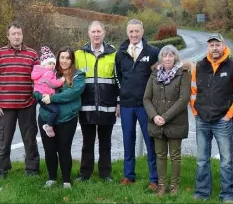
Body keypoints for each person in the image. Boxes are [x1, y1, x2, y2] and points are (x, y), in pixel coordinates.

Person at [191, 33, 233, 202]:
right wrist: (195, 111)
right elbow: (193, 92)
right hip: (202, 120)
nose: (214, 48)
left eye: (217, 45)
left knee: (226, 161)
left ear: (223, 46)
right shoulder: (199, 66)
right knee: (201, 160)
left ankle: (227, 195)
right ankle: (201, 193)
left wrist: (229, 115)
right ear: (208, 47)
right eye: (211, 45)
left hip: (223, 121)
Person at [0, 21, 40, 179]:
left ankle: (32, 169)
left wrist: (35, 99)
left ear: (22, 35)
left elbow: (39, 79)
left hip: (27, 105)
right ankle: (2, 170)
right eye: (13, 34)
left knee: (30, 138)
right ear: (8, 36)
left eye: (19, 33)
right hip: (6, 106)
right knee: (4, 139)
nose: (16, 37)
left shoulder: (32, 54)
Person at [115, 19, 160, 190]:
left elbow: (158, 76)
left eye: (137, 31)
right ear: (127, 33)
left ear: (142, 31)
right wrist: (119, 101)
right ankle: (129, 176)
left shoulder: (153, 52)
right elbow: (118, 77)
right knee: (128, 141)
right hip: (126, 105)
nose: (134, 35)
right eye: (131, 32)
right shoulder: (120, 53)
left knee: (150, 142)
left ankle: (154, 179)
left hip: (146, 105)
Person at [34, 47, 86, 189]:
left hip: (67, 119)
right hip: (46, 117)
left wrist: (52, 98)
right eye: (61, 57)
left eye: (67, 58)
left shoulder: (78, 75)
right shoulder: (49, 72)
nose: (64, 60)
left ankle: (66, 180)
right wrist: (39, 96)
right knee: (49, 149)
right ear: (57, 59)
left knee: (64, 149)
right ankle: (51, 178)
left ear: (72, 60)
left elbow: (73, 93)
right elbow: (37, 88)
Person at [142, 45, 191, 196]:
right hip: (157, 122)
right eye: (165, 56)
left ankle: (174, 187)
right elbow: (146, 98)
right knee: (160, 155)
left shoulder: (183, 74)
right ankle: (161, 186)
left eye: (171, 55)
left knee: (175, 155)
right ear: (161, 58)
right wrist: (154, 116)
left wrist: (165, 117)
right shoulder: (154, 74)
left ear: (175, 57)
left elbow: (184, 99)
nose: (167, 58)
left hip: (175, 122)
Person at [74, 21, 119, 181]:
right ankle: (84, 174)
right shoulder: (79, 55)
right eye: (93, 31)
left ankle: (105, 174)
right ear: (88, 33)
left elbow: (119, 81)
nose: (96, 34)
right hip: (86, 107)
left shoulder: (114, 54)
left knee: (105, 144)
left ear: (104, 33)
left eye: (99, 31)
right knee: (87, 144)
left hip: (107, 107)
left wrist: (118, 102)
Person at [31, 46, 65, 137]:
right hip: (44, 96)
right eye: (49, 63)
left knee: (53, 110)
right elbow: (52, 83)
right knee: (55, 110)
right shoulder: (48, 73)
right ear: (44, 64)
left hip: (41, 95)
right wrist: (61, 81)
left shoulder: (41, 72)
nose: (52, 65)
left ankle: (49, 124)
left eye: (53, 63)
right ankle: (48, 126)